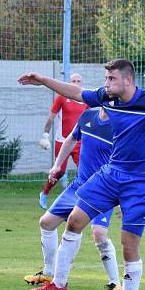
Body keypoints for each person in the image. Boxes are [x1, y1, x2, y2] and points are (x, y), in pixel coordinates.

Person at [17, 59, 145, 290]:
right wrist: (43, 80)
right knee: (74, 220)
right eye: (106, 79)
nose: (106, 84)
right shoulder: (106, 98)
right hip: (111, 174)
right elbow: (74, 93)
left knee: (128, 244)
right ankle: (59, 285)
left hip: (142, 181)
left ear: (127, 81)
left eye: (111, 79)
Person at [24, 107, 123, 290]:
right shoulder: (87, 116)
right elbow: (71, 139)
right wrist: (56, 165)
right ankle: (49, 273)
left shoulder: (121, 126)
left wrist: (122, 197)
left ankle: (115, 283)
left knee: (99, 233)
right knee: (46, 223)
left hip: (102, 189)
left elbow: (125, 163)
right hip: (79, 186)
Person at [38, 72, 88, 209]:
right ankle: (45, 193)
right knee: (59, 171)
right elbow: (51, 117)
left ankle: (84, 201)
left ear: (82, 84)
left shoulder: (86, 100)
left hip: (80, 141)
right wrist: (45, 135)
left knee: (86, 171)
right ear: (69, 83)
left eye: (78, 81)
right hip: (62, 140)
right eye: (73, 81)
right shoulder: (62, 97)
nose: (76, 83)